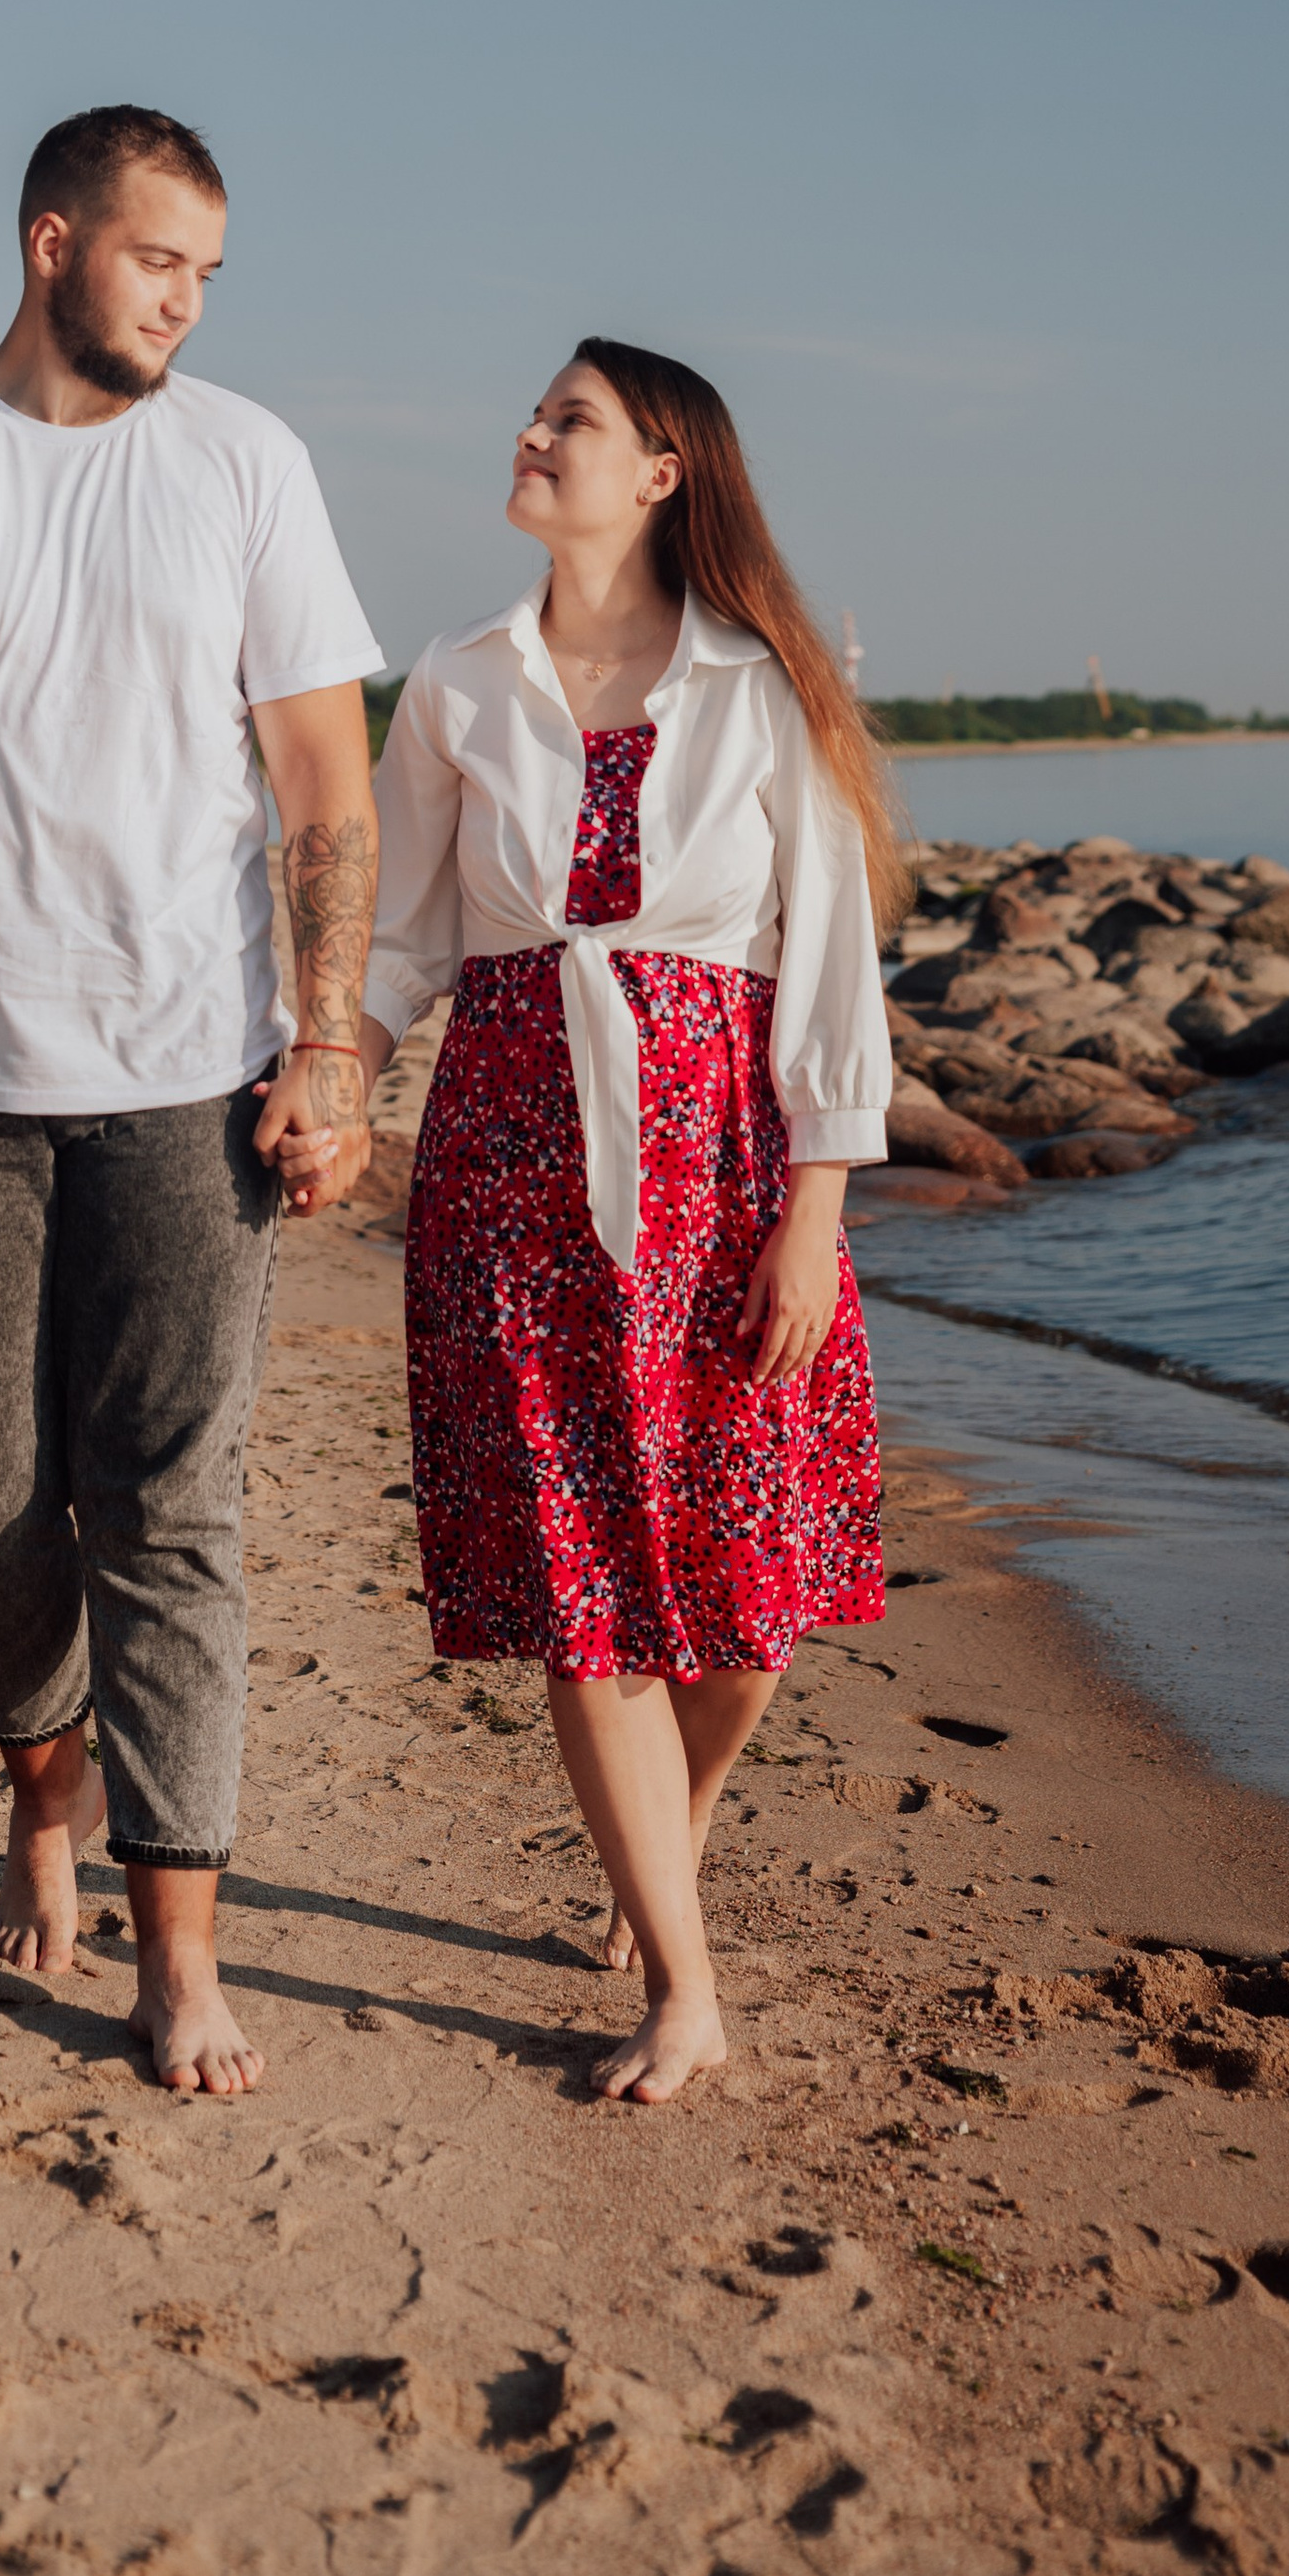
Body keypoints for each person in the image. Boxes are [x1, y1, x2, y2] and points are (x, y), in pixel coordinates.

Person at [0, 105, 381, 2096]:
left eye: (207, 272)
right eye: (154, 259)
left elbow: (325, 791)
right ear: (51, 245)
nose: (185, 300)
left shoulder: (247, 464)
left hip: (193, 1083)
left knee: (170, 1510)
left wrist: (329, 1040)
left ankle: (179, 1946)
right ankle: (44, 1771)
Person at [344, 337, 908, 2105]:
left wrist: (812, 1209)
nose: (529, 432)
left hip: (726, 1166)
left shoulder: (761, 687)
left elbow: (827, 962)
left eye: (568, 418)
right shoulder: (455, 681)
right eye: (537, 412)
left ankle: (674, 1813)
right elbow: (402, 936)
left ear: (663, 468)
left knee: (745, 1606)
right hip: (510, 1164)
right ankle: (684, 1983)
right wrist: (331, 1071)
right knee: (584, 1593)